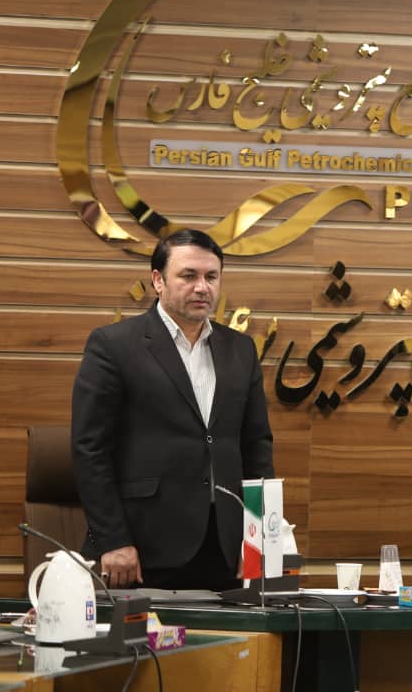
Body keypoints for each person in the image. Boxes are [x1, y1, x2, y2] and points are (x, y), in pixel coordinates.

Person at [71, 229, 274, 590]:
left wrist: (258, 541)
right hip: (143, 546)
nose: (202, 287)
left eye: (211, 276)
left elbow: (256, 447)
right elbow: (90, 449)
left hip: (226, 548)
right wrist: (112, 539)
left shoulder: (240, 349)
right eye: (188, 276)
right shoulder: (114, 345)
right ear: (158, 281)